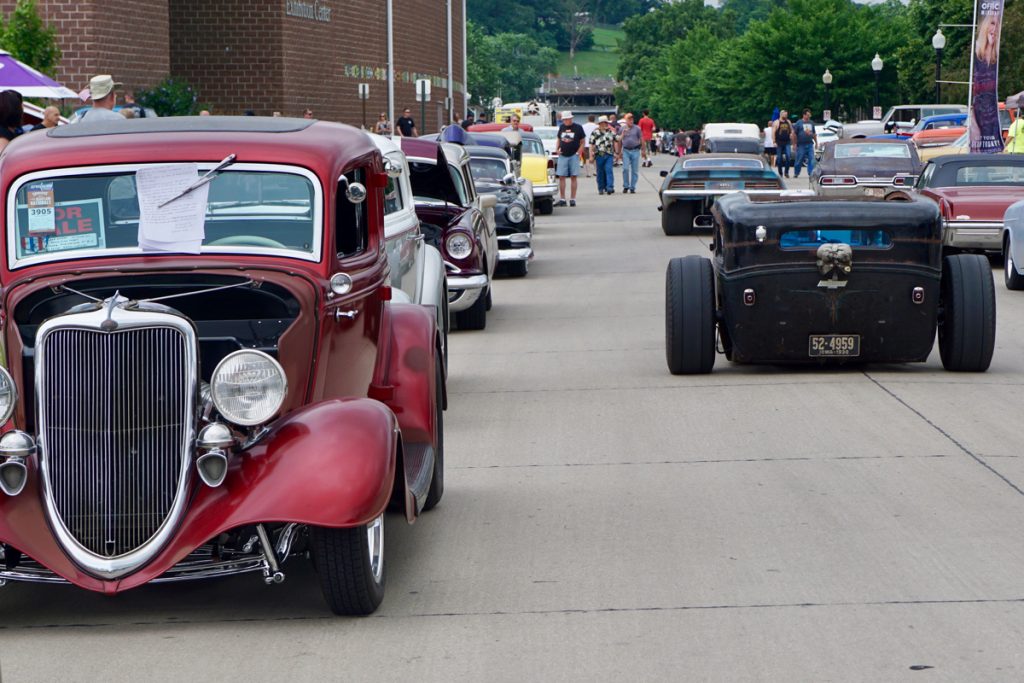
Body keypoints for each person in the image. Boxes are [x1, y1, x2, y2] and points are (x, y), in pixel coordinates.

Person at [554, 111, 586, 207]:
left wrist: (579, 152)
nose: (565, 121)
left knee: (573, 176)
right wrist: (557, 149)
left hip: (573, 155)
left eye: (567, 119)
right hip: (563, 154)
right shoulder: (562, 127)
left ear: (570, 119)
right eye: (564, 120)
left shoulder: (578, 127)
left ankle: (573, 198)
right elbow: (559, 139)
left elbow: (583, 141)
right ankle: (562, 198)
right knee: (561, 177)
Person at [589, 116, 617, 195]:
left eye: (606, 122)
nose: (606, 124)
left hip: (609, 153)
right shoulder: (595, 132)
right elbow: (591, 144)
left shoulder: (610, 132)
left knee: (609, 170)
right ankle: (601, 187)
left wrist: (623, 135)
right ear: (600, 124)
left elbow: (617, 139)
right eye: (604, 123)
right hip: (599, 154)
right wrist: (591, 155)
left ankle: (609, 187)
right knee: (600, 171)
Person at [619, 113, 643, 194]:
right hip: (626, 150)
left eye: (632, 119)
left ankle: (632, 187)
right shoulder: (622, 129)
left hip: (635, 150)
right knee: (625, 169)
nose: (631, 121)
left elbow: (641, 139)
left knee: (634, 170)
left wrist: (643, 151)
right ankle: (626, 186)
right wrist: (619, 152)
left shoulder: (637, 129)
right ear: (626, 121)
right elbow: (619, 141)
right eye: (629, 119)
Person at [792, 108, 817, 179]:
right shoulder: (799, 123)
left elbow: (814, 134)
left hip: (810, 144)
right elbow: (794, 134)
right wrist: (794, 144)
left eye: (810, 115)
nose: (809, 116)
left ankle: (811, 173)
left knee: (811, 159)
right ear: (804, 115)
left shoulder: (811, 123)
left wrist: (816, 143)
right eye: (808, 115)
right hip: (801, 145)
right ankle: (796, 173)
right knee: (799, 159)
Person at [773, 110, 793, 177]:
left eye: (786, 115)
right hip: (779, 142)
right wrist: (774, 141)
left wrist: (791, 134)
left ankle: (786, 172)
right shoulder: (776, 122)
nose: (786, 116)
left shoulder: (788, 122)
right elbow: (773, 133)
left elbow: (791, 130)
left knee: (788, 156)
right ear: (781, 114)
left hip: (787, 142)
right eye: (785, 115)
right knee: (779, 159)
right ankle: (780, 172)